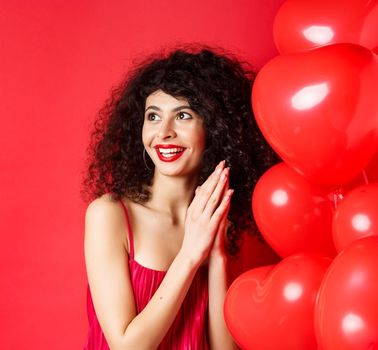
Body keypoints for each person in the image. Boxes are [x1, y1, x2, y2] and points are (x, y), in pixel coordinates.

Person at [80, 46, 280, 349]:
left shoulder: (217, 220)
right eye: (153, 116)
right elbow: (127, 346)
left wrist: (216, 255)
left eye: (183, 115)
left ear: (214, 130)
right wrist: (190, 254)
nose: (164, 132)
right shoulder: (110, 215)